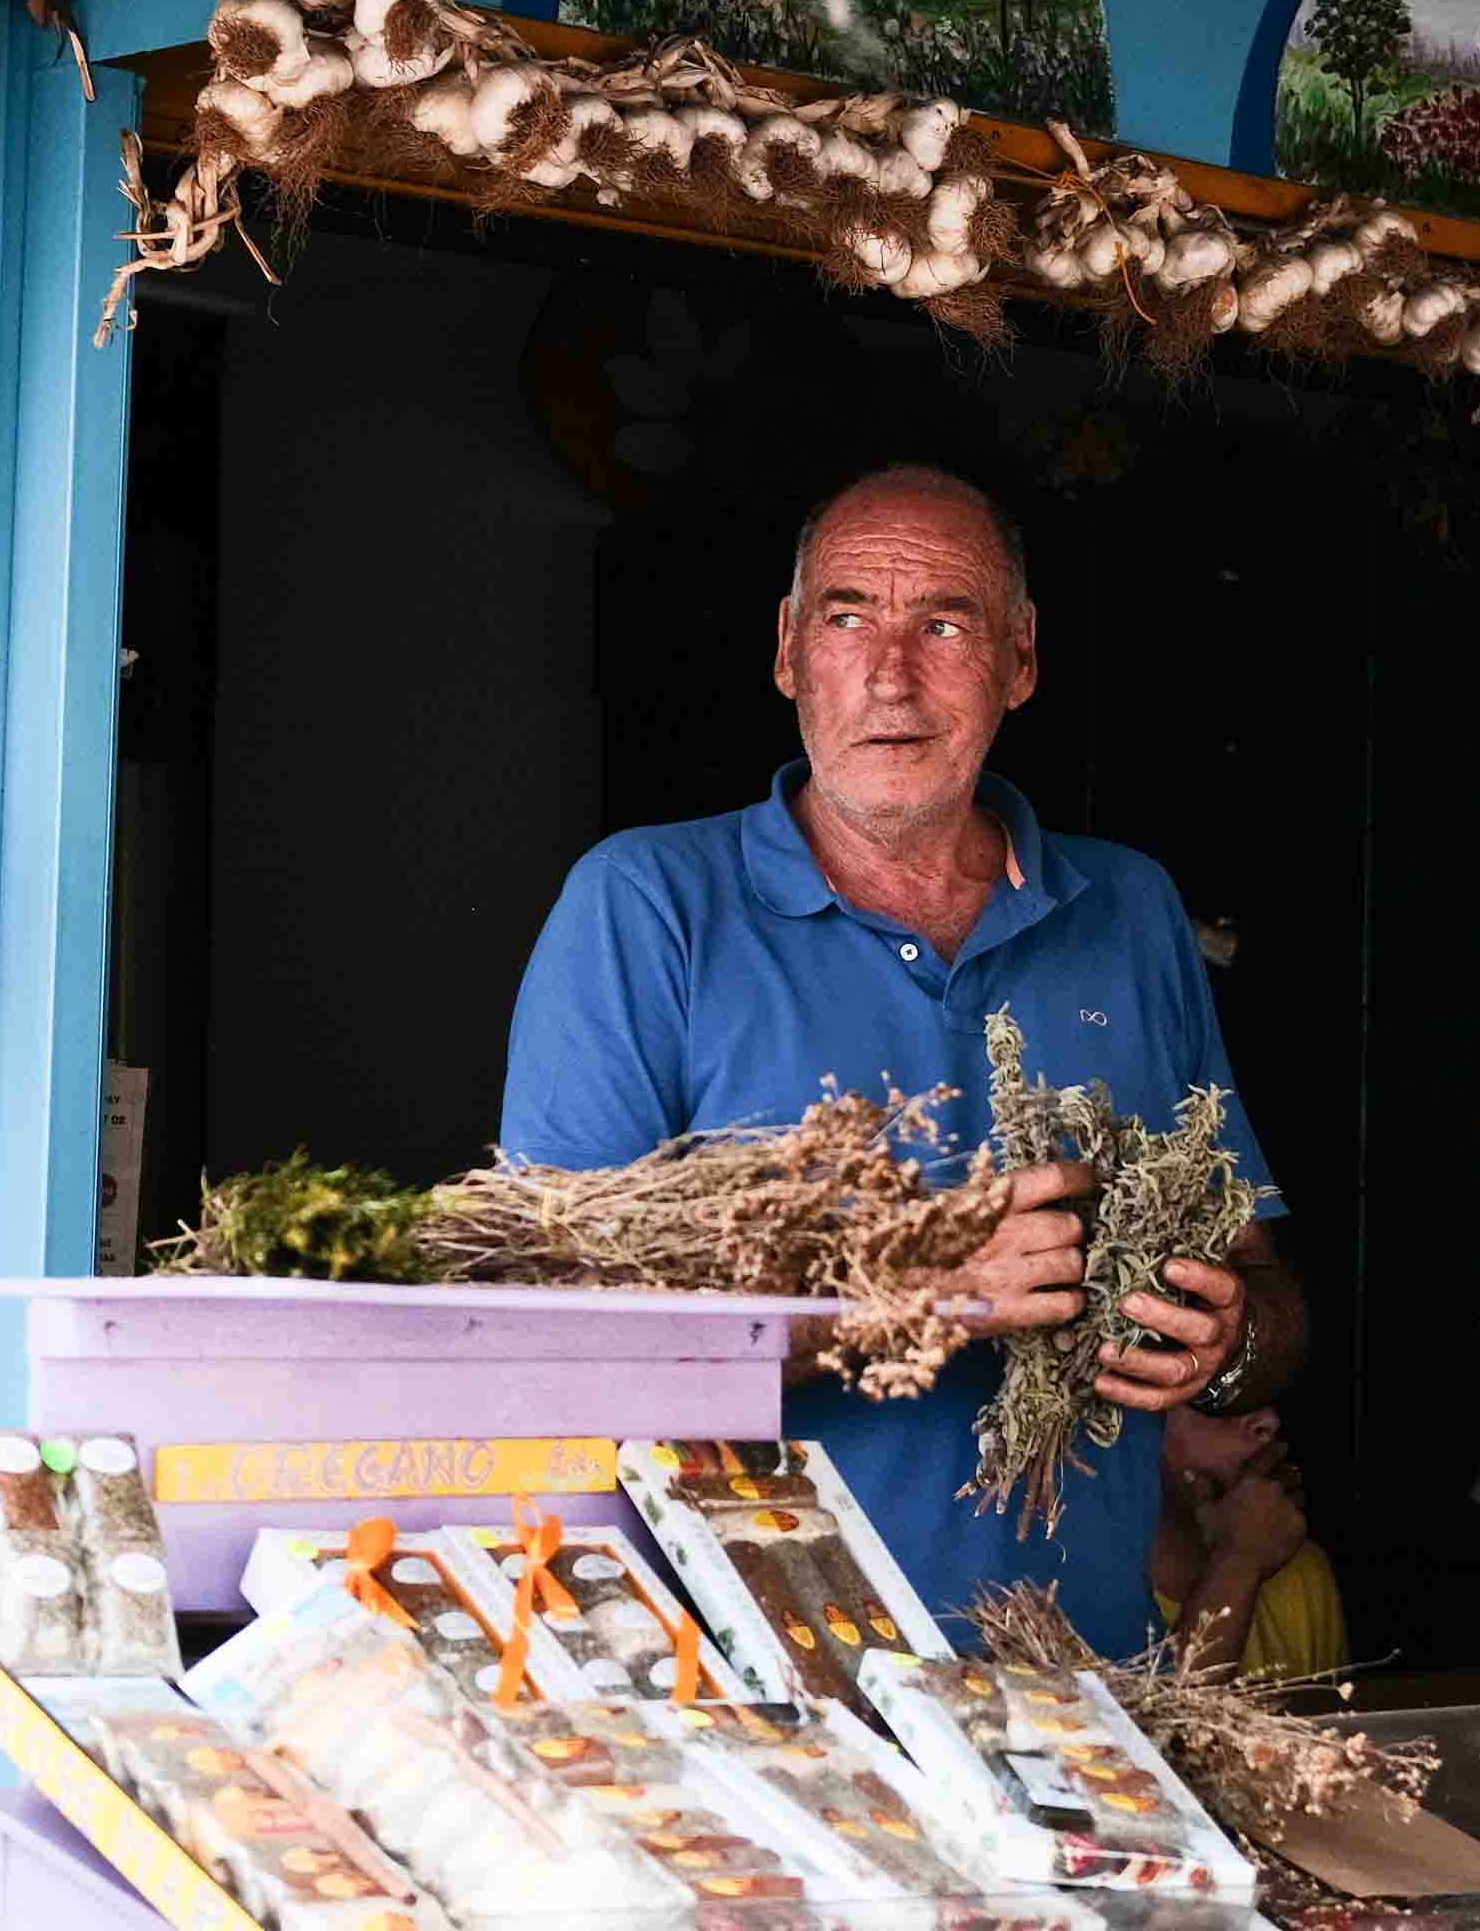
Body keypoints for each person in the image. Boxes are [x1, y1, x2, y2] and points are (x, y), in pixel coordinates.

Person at [502, 465, 1308, 1653]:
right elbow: (551, 1334)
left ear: (1019, 660)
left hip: (1089, 1689)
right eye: (846, 619)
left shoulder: (1129, 910)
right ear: (787, 652)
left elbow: (1265, 1279)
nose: (890, 675)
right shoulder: (645, 906)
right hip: (753, 1691)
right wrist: (920, 1297)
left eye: (944, 622)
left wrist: (1232, 1344)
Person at [1152, 1403, 1349, 1682]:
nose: (1270, 1420)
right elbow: (1159, 1721)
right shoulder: (1083, 1591)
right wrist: (1239, 1560)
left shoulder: (1303, 1576)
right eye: (1219, 1392)